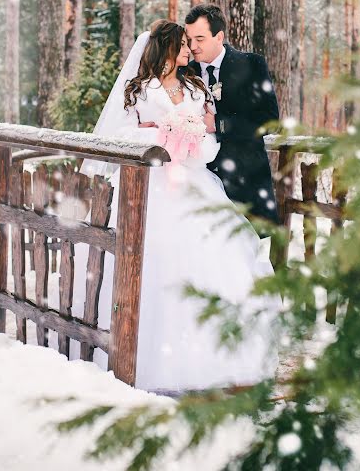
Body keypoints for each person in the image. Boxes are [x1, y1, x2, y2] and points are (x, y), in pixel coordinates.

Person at [73, 20, 279, 393]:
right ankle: (139, 355)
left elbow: (210, 138)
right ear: (167, 48)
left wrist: (192, 139)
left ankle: (213, 358)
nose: (189, 52)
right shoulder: (139, 89)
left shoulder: (195, 87)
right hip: (149, 185)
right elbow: (121, 134)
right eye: (184, 45)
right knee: (152, 258)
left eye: (193, 43)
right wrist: (160, 135)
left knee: (213, 253)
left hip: (194, 179)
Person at [185, 4, 280, 227]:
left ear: (219, 37)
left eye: (200, 39)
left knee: (246, 252)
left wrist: (219, 125)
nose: (193, 46)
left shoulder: (251, 64)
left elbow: (269, 119)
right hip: (199, 181)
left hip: (244, 178)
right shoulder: (185, 72)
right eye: (189, 39)